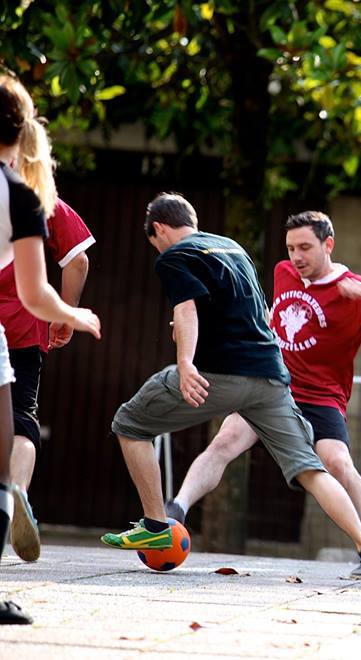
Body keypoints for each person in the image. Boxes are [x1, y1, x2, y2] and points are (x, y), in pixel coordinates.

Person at [100, 194, 361, 588]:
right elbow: (258, 312)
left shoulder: (350, 286)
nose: (296, 256)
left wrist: (188, 360)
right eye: (291, 247)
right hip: (275, 380)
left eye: (305, 247)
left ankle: (157, 522)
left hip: (316, 394)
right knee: (237, 446)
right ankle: (179, 506)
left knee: (335, 461)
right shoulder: (250, 257)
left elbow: (187, 309)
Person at [0, 73, 101, 624]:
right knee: (20, 423)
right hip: (20, 327)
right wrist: (70, 315)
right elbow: (78, 259)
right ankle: (15, 489)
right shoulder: (34, 198)